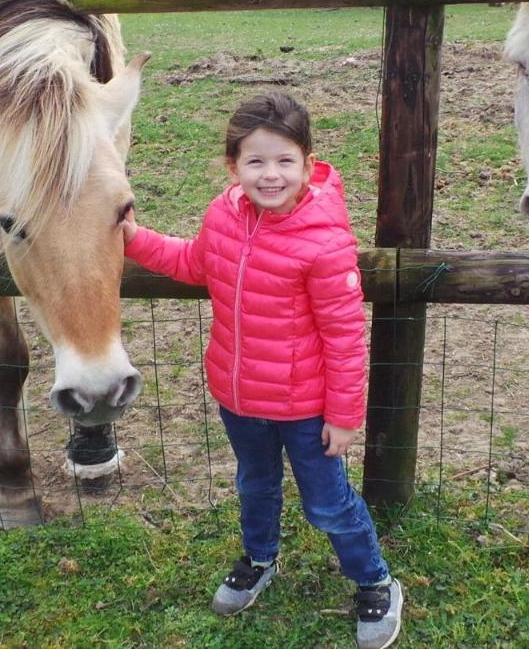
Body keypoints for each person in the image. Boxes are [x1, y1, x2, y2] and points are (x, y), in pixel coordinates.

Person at [122, 91, 404, 649]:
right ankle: (259, 558)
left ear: (306, 163)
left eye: (284, 161)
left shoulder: (324, 242)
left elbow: (346, 337)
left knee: (328, 504)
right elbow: (192, 263)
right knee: (255, 486)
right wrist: (133, 239)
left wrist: (344, 416)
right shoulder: (223, 216)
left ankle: (374, 581)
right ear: (233, 166)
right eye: (255, 161)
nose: (270, 175)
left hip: (307, 410)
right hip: (240, 396)